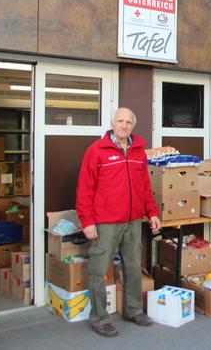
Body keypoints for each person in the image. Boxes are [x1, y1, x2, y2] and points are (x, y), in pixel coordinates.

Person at [76, 107, 161, 337]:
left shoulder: (138, 151)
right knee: (98, 269)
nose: (124, 125)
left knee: (133, 266)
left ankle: (132, 310)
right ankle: (99, 318)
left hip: (133, 220)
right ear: (112, 122)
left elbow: (144, 186)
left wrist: (152, 212)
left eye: (128, 122)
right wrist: (88, 221)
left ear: (133, 125)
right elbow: (85, 189)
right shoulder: (96, 151)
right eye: (120, 121)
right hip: (105, 222)